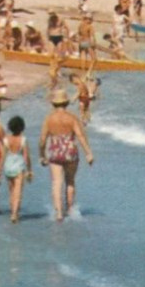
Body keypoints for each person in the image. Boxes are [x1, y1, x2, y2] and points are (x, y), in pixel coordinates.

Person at [40, 87, 94, 221]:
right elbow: (80, 136)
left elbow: (42, 139)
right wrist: (88, 153)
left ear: (53, 104)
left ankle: (58, 214)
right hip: (70, 151)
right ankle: (70, 210)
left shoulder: (49, 119)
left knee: (56, 182)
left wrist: (42, 154)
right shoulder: (72, 118)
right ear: (67, 103)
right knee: (70, 181)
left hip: (55, 152)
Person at [1, 114, 33, 223]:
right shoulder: (23, 140)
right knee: (18, 191)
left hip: (8, 167)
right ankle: (15, 214)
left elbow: (3, 156)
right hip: (19, 167)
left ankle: (12, 211)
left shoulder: (6, 140)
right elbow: (26, 156)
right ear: (22, 127)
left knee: (11, 191)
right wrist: (29, 170)